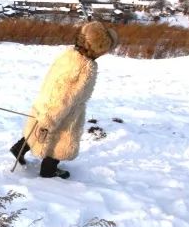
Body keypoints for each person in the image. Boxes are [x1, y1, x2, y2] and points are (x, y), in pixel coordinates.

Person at [10, 21, 119, 179]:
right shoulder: (85, 67)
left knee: (38, 129)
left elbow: (56, 84)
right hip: (63, 110)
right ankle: (48, 170)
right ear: (98, 48)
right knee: (61, 139)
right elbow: (65, 95)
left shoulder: (70, 54)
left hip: (46, 100)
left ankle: (19, 148)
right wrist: (51, 118)